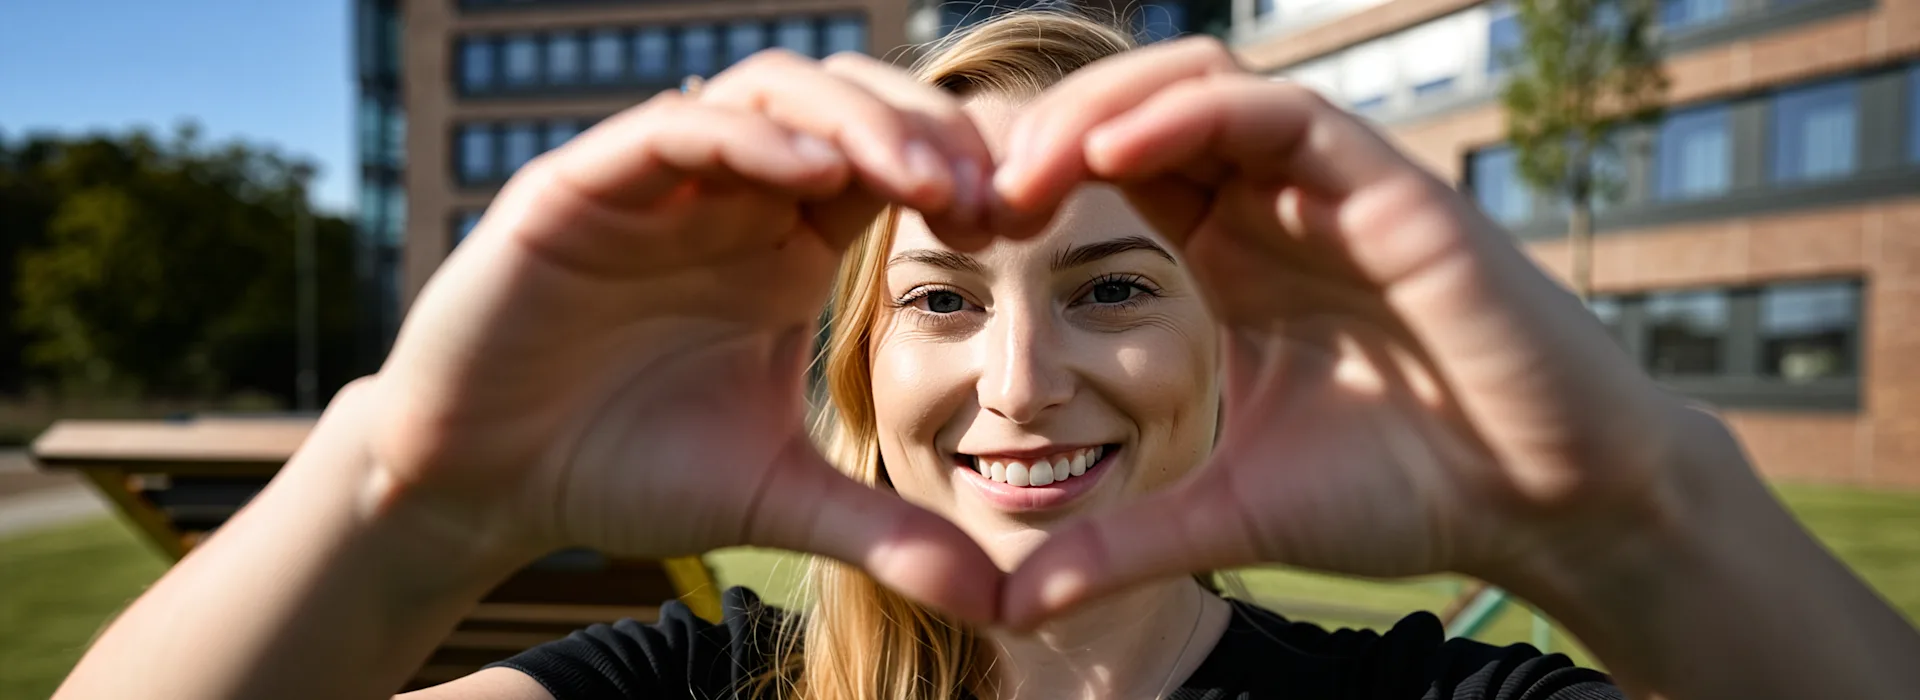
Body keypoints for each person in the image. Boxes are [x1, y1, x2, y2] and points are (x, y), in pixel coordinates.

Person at [52, 11, 1920, 700]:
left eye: (1111, 288)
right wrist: (404, 486)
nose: (1018, 383)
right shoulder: (678, 697)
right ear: (856, 366)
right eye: (941, 299)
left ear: (1228, 347)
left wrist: (1635, 523)